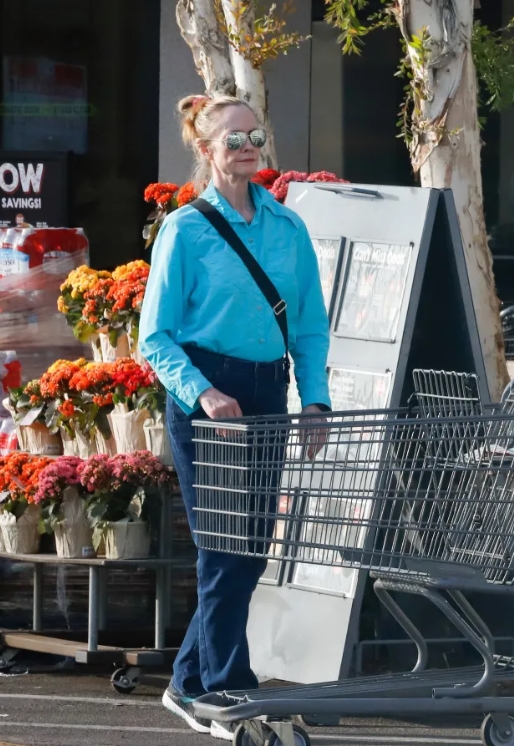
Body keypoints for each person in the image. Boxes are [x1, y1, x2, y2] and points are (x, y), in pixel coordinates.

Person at [138, 93, 331, 740]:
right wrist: (203, 393)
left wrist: (315, 400)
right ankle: (229, 687)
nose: (249, 148)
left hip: (268, 393)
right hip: (211, 399)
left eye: (256, 137)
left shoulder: (287, 227)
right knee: (224, 548)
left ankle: (188, 682)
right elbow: (154, 337)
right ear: (205, 150)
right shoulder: (184, 230)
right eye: (234, 140)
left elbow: (309, 327)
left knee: (249, 550)